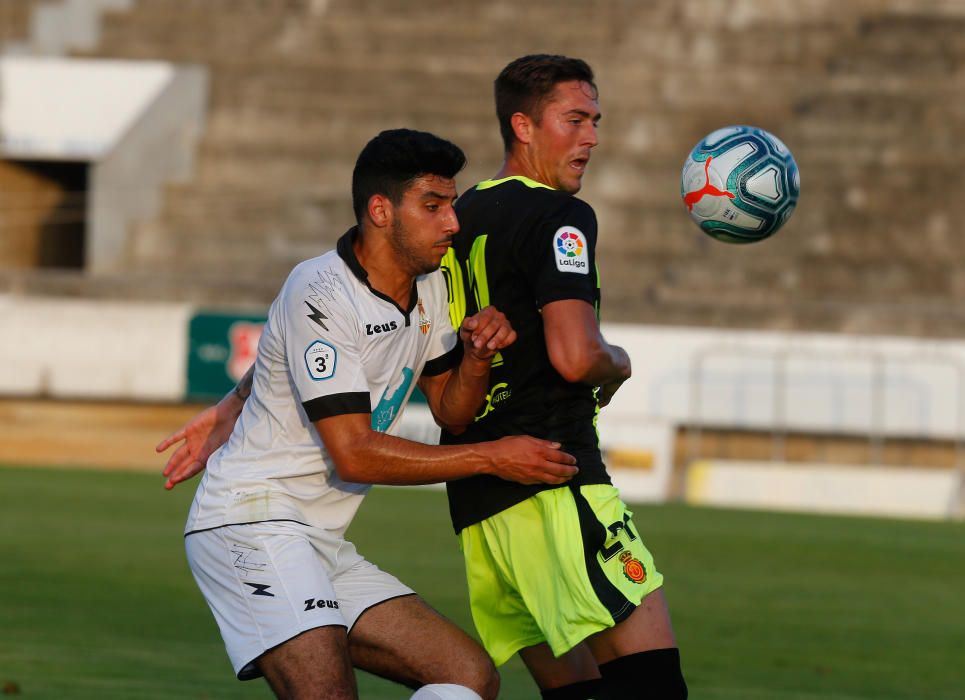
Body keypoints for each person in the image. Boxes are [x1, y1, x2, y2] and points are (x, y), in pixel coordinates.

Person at [160, 128, 578, 700]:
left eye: (451, 204)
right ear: (381, 211)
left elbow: (452, 412)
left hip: (320, 541)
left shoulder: (430, 287)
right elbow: (354, 453)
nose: (452, 223)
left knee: (467, 677)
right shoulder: (319, 290)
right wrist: (492, 459)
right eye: (433, 206)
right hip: (250, 522)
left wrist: (477, 359)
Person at [436, 55, 688, 699]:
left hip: (480, 502)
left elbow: (449, 403)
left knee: (578, 693)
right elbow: (576, 357)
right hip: (554, 475)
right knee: (653, 687)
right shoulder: (558, 216)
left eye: (595, 121)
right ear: (522, 125)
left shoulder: (453, 222)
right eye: (574, 120)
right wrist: (618, 363)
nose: (592, 137)